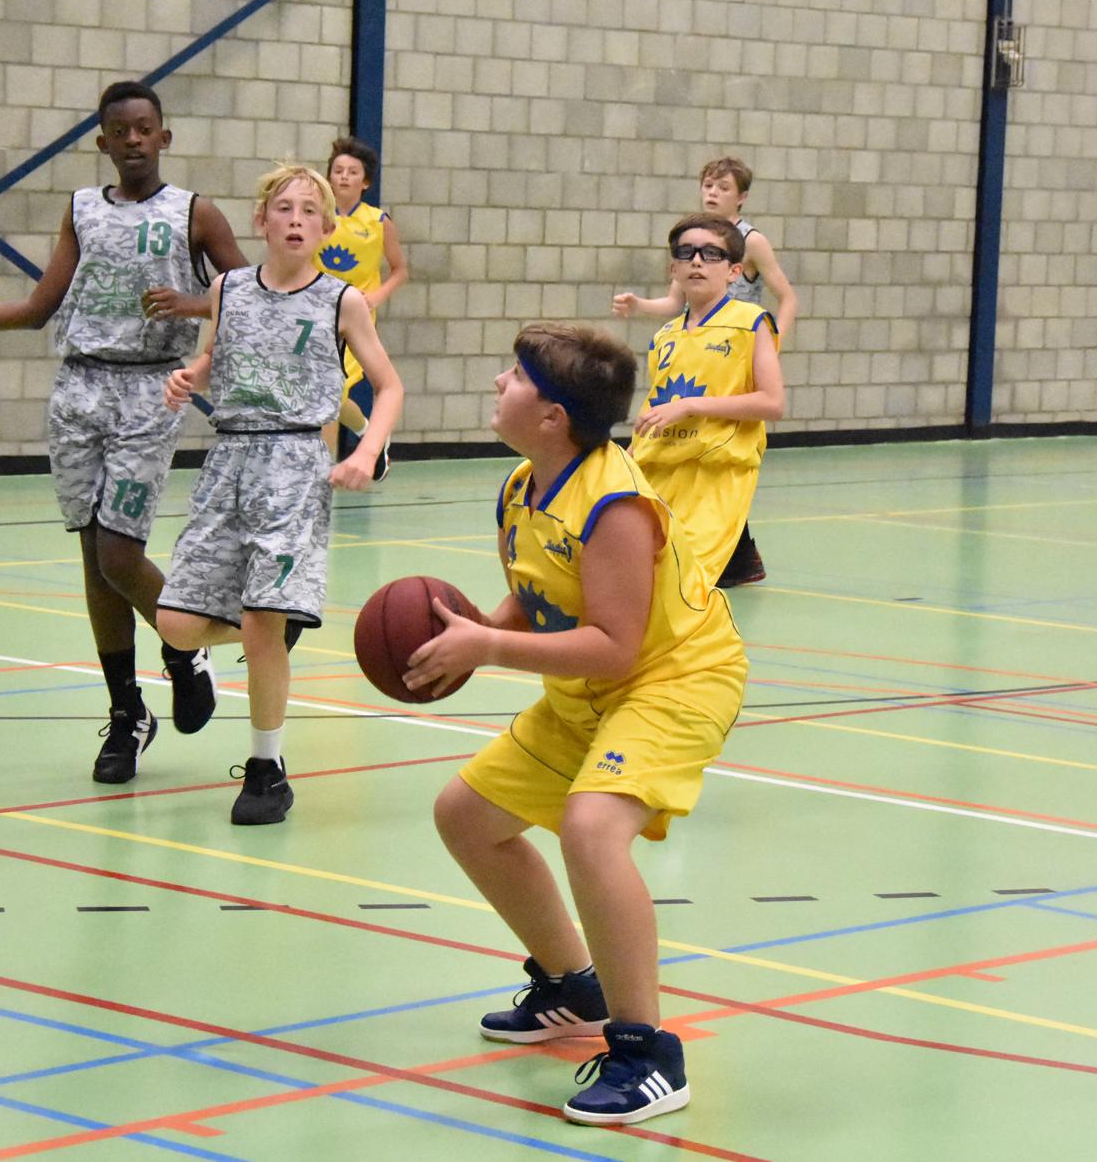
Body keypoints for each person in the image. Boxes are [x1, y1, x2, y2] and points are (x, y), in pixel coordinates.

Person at [405, 322, 747, 1126]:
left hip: (675, 679)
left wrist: (488, 647)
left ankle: (647, 1052)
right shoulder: (523, 485)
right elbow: (538, 593)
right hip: (590, 691)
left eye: (515, 375)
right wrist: (477, 631)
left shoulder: (615, 503)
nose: (498, 382)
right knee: (466, 815)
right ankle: (572, 986)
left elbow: (615, 642)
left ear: (553, 415)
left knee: (592, 829)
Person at [0, 80, 247, 782]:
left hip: (149, 389)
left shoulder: (195, 212)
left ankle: (185, 644)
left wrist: (194, 304)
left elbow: (252, 298)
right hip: (79, 388)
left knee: (120, 554)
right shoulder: (80, 210)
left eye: (145, 128)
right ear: (103, 143)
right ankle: (126, 713)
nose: (133, 139)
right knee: (95, 557)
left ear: (165, 137)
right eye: (120, 131)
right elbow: (37, 307)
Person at [154, 162, 401, 825]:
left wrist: (366, 451)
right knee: (175, 621)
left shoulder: (341, 300)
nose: (296, 219)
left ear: (326, 229)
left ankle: (267, 768)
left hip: (296, 463)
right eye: (285, 208)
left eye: (310, 211)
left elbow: (389, 386)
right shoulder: (228, 289)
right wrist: (190, 376)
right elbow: (217, 357)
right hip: (228, 459)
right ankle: (208, 652)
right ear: (261, 220)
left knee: (265, 622)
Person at [613, 157, 797, 586]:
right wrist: (633, 451)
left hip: (717, 465)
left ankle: (732, 561)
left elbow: (773, 403)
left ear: (733, 270)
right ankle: (739, 561)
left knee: (680, 581)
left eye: (710, 254)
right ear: (674, 268)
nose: (697, 261)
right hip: (667, 465)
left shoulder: (751, 318)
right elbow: (661, 401)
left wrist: (693, 404)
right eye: (686, 254)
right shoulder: (666, 336)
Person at [318, 135, 411, 480]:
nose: (343, 176)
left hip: (355, 318)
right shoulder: (315, 216)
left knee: (332, 390)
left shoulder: (378, 221)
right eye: (338, 170)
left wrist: (377, 296)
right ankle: (369, 431)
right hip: (316, 313)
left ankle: (322, 468)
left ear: (365, 182)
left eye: (352, 172)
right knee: (324, 392)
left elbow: (400, 270)